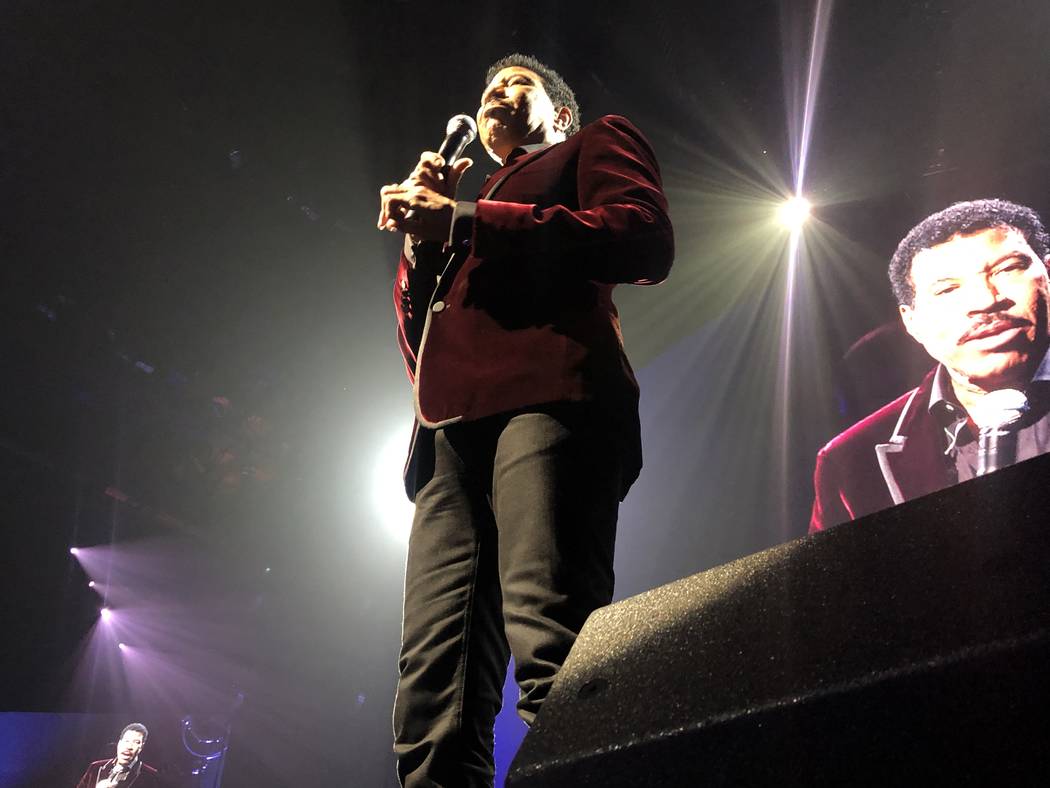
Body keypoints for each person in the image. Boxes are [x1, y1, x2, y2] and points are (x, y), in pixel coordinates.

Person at [377, 53, 674, 786]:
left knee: (553, 638)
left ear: (561, 115)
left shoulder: (591, 142)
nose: (495, 97)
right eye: (487, 91)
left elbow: (643, 236)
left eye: (518, 86)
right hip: (447, 435)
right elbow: (423, 346)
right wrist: (426, 241)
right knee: (431, 687)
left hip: (550, 399)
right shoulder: (461, 215)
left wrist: (471, 219)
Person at [810, 198, 1050, 531]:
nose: (985, 300)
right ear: (912, 322)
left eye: (1007, 269)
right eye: (948, 289)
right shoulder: (851, 461)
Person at [75, 723, 160, 788]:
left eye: (136, 742)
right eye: (126, 740)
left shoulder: (151, 775)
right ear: (119, 743)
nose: (129, 746)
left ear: (141, 747)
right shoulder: (95, 767)